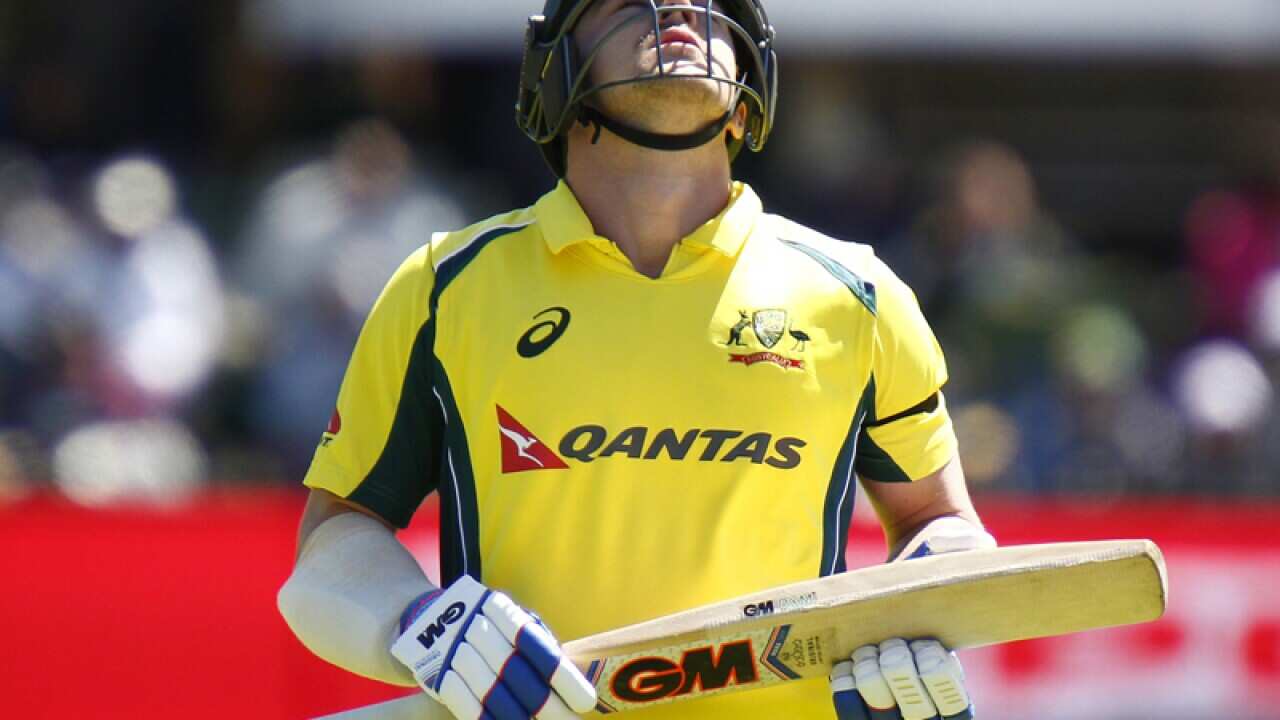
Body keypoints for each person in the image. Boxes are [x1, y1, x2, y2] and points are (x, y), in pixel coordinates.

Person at [278, 2, 995, 718]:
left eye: (714, 6)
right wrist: (424, 627)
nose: (682, 8)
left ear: (751, 83)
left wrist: (921, 618)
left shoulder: (860, 296)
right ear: (556, 67)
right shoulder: (445, 288)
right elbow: (337, 534)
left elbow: (937, 522)